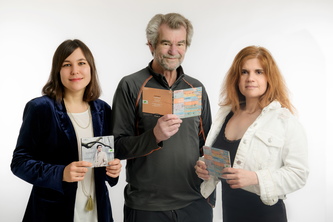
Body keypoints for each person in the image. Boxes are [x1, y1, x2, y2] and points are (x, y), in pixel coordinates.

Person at [111, 13, 213, 222]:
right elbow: (117, 147)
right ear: (151, 45)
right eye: (166, 43)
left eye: (180, 44)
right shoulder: (131, 85)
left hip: (195, 204)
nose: (173, 51)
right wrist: (154, 136)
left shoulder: (196, 88)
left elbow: (208, 145)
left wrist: (211, 171)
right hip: (146, 207)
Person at [11, 39, 122, 222]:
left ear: (91, 68)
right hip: (52, 212)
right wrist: (61, 173)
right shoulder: (40, 108)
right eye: (67, 64)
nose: (75, 71)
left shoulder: (103, 110)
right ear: (57, 70)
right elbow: (19, 162)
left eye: (81, 63)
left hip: (96, 210)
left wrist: (113, 170)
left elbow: (105, 160)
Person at [195, 46, 309, 222]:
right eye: (244, 72)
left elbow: (299, 174)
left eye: (259, 72)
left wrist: (256, 178)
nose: (251, 78)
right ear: (237, 77)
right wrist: (205, 169)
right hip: (231, 214)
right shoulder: (225, 115)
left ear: (269, 77)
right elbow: (219, 162)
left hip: (266, 216)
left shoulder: (284, 120)